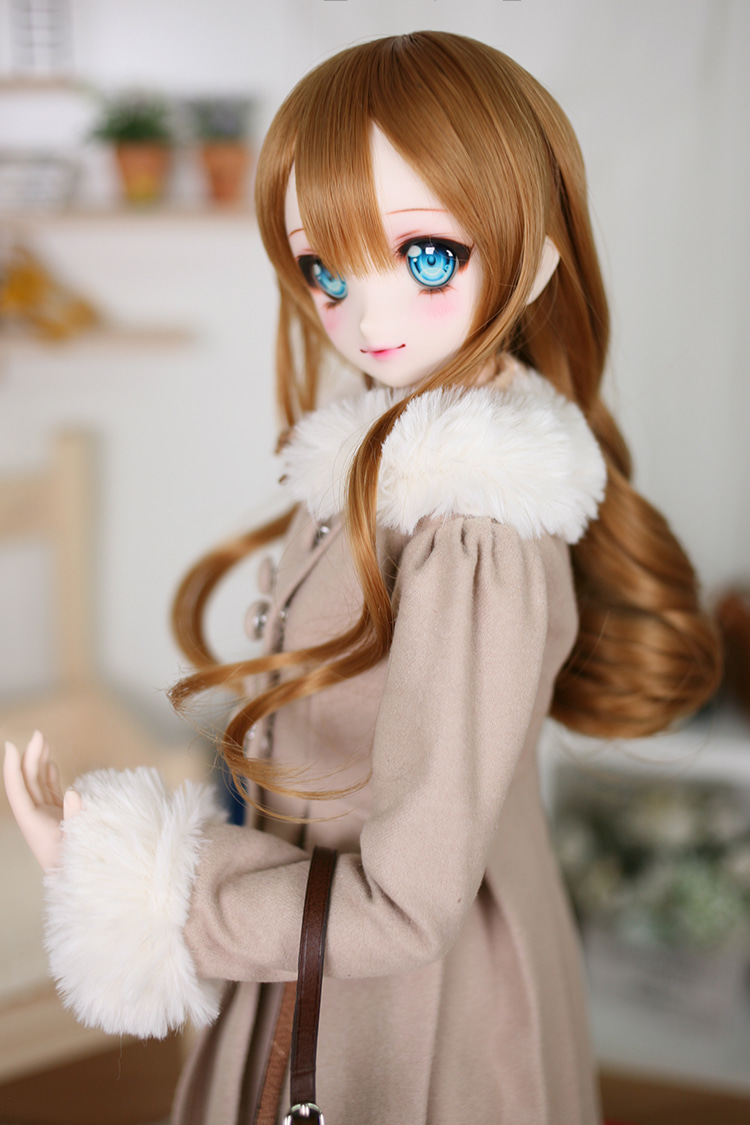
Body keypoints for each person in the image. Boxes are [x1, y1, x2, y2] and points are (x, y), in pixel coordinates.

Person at [4, 31, 721, 1125]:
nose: (368, 317)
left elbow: (404, 909)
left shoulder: (471, 531)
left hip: (395, 1001)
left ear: (533, 260)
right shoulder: (394, 465)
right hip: (327, 946)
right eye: (326, 271)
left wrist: (135, 873)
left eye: (427, 256)